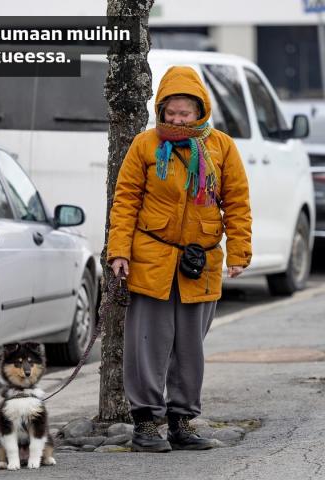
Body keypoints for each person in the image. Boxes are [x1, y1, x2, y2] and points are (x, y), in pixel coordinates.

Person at [107, 66, 252, 453]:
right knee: (147, 346)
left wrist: (239, 252)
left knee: (190, 349)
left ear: (200, 110)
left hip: (199, 262)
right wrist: (118, 251)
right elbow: (125, 201)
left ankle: (182, 423)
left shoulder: (222, 147)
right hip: (151, 257)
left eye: (184, 113)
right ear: (161, 109)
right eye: (170, 112)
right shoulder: (144, 145)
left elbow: (237, 203)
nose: (176, 120)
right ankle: (146, 426)